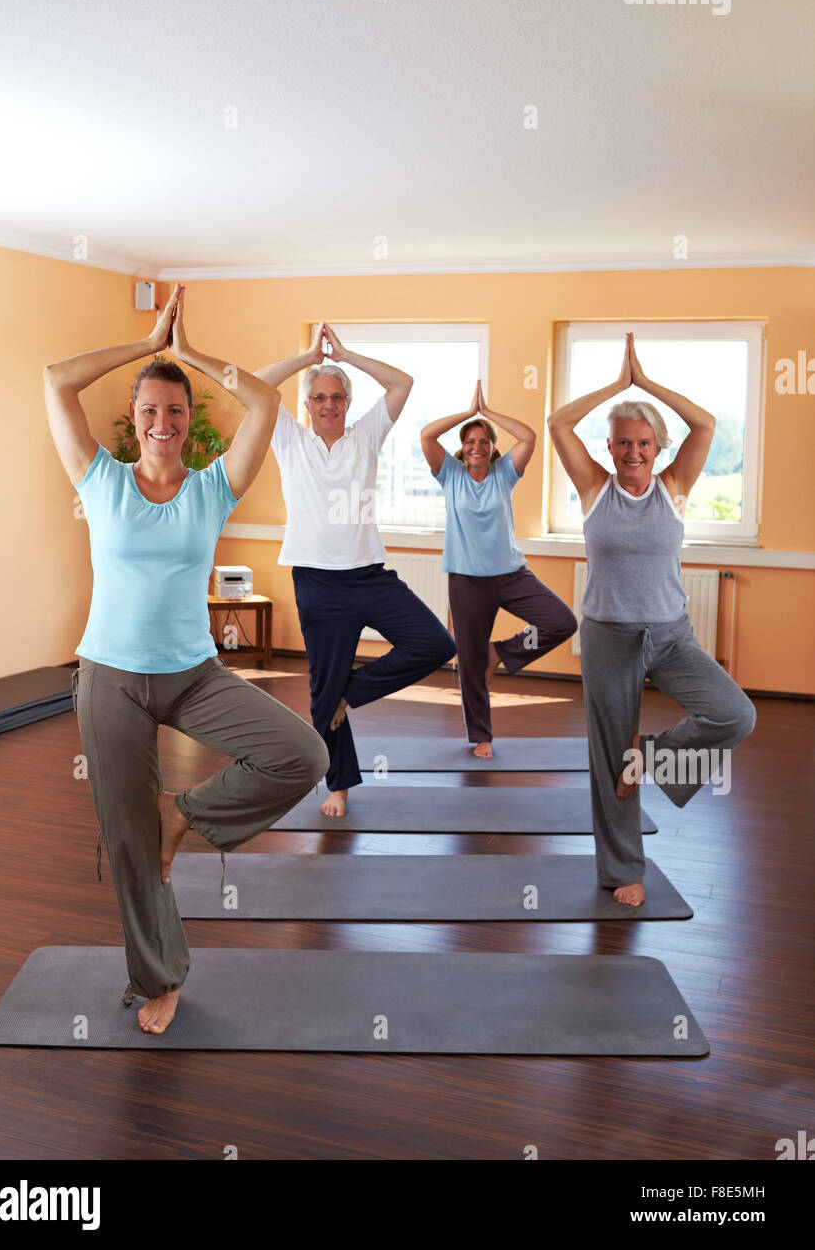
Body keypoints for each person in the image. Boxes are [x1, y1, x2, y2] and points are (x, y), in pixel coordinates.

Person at [43, 284, 329, 1033]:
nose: (162, 424)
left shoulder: (214, 488)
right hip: (108, 677)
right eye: (150, 410)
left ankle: (184, 814)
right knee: (128, 839)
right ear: (134, 415)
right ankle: (159, 975)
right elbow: (56, 380)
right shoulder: (99, 479)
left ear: (189, 417)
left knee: (303, 754)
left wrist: (189, 353)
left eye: (175, 411)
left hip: (194, 674)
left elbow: (265, 402)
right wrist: (146, 346)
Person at [547, 332, 756, 906]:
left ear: (658, 447)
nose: (633, 452)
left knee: (734, 713)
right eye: (623, 442)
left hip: (670, 635)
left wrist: (645, 383)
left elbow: (705, 423)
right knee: (606, 757)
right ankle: (622, 870)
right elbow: (558, 423)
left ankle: (652, 756)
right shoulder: (594, 488)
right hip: (609, 636)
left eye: (643, 442)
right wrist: (617, 386)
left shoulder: (674, 488)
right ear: (610, 448)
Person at [256, 321, 456, 817]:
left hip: (369, 577)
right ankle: (339, 785)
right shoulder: (289, 439)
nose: (329, 405)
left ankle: (350, 694)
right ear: (307, 405)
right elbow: (256, 384)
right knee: (322, 691)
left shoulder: (366, 435)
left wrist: (345, 356)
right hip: (316, 582)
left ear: (348, 402)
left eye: (337, 397)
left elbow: (402, 382)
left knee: (435, 644)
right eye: (319, 397)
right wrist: (309, 358)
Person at [421, 381, 577, 757]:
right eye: (470, 441)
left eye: (484, 441)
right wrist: (467, 413)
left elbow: (529, 436)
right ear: (463, 447)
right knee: (470, 663)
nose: (476, 447)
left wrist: (487, 413)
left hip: (510, 576)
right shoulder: (450, 474)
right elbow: (426, 435)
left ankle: (501, 652)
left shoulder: (505, 472)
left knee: (562, 622)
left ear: (493, 448)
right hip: (466, 581)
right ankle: (482, 737)